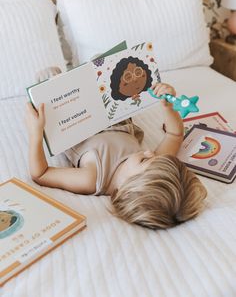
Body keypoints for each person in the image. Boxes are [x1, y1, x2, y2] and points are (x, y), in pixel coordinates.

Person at [26, 82, 207, 230]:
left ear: (128, 188)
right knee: (103, 67)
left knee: (50, 78)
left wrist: (36, 133)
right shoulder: (154, 167)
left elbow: (41, 174)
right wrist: (169, 106)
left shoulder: (92, 178)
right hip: (116, 114)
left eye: (144, 159)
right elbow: (174, 135)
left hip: (76, 119)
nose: (150, 152)